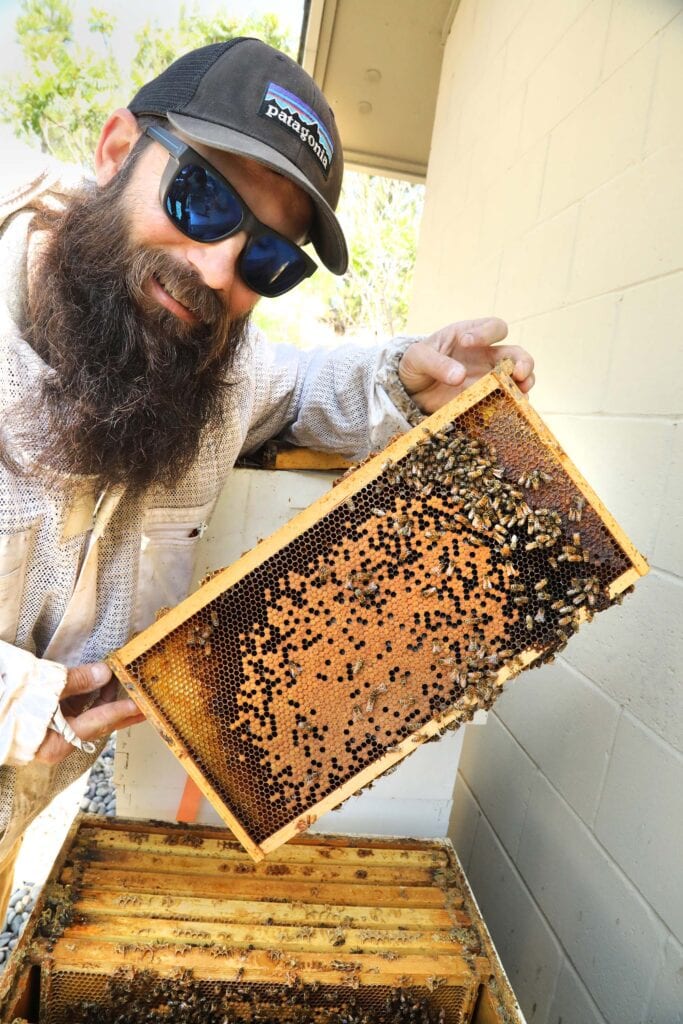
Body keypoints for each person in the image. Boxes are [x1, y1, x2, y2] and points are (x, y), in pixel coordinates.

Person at [0, 37, 534, 915]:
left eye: (266, 262)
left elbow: (304, 388)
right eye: (201, 198)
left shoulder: (207, 371)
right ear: (113, 150)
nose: (217, 269)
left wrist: (407, 371)